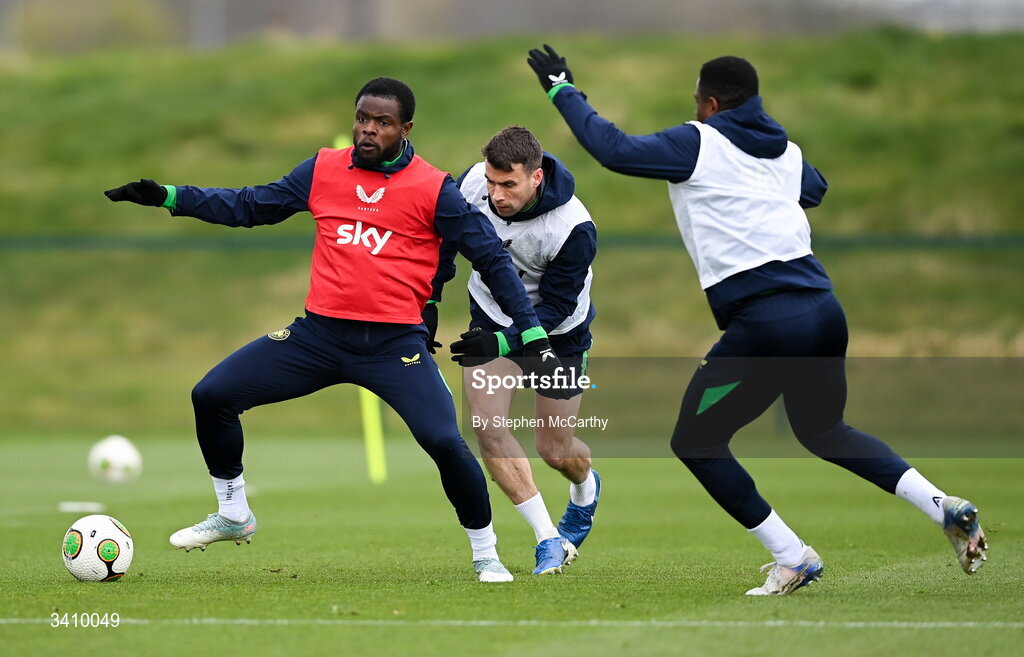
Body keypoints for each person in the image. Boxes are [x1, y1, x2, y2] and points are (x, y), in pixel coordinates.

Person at [526, 46, 988, 594]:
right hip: (823, 310)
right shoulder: (784, 152)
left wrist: (561, 88)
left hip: (768, 322)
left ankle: (792, 557)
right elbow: (815, 188)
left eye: (697, 102)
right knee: (824, 430)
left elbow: (613, 150)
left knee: (695, 442)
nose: (694, 110)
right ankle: (941, 505)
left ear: (712, 103)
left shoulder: (700, 141)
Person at [104, 76, 566, 583]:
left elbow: (494, 263)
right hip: (318, 338)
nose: (369, 130)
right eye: (363, 118)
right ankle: (234, 513)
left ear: (406, 128)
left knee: (444, 442)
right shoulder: (323, 168)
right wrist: (169, 196)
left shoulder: (436, 189)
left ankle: (486, 554)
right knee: (211, 394)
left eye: (383, 123)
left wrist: (533, 335)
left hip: (394, 347)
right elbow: (248, 206)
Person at [433, 126, 600, 575]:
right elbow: (444, 235)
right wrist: (431, 296)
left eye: (508, 184)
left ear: (537, 177)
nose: (495, 194)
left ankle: (586, 489)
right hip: (489, 317)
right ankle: (549, 537)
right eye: (491, 181)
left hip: (558, 334)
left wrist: (507, 339)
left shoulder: (573, 227)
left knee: (555, 449)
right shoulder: (472, 184)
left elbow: (561, 304)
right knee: (489, 429)